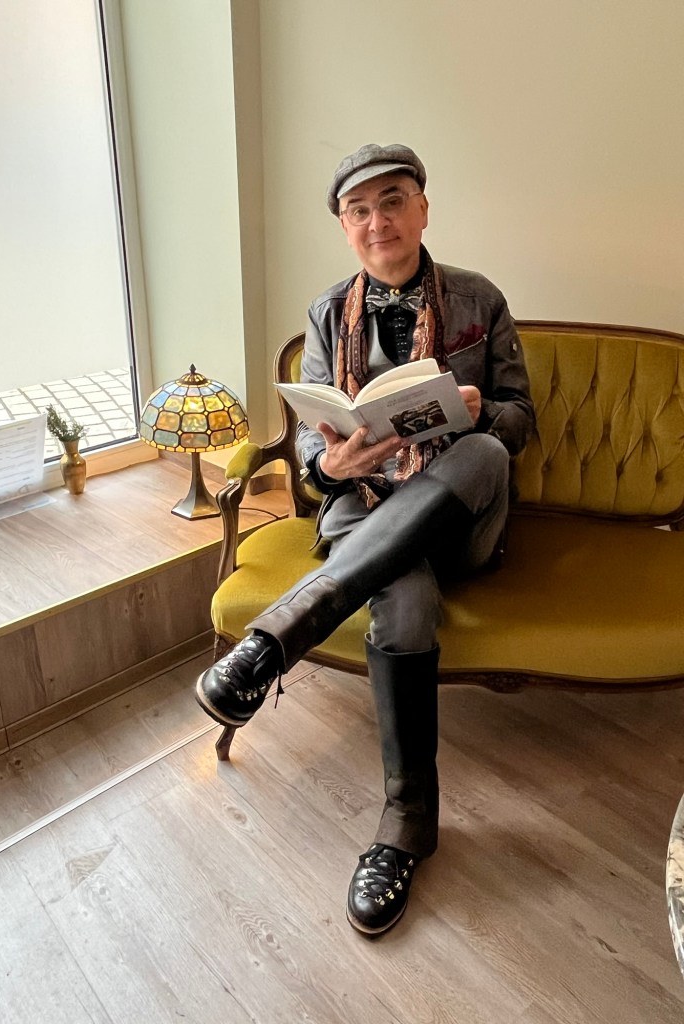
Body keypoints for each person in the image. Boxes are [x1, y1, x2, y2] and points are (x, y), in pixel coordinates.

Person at [196, 143, 535, 936]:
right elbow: (310, 448)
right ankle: (406, 828)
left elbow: (522, 422)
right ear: (345, 228)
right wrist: (331, 464)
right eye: (359, 210)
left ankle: (277, 638)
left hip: (458, 516)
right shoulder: (325, 314)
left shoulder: (480, 299)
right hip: (365, 508)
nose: (377, 221)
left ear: (422, 209)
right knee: (405, 607)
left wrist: (481, 409)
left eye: (392, 201)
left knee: (485, 452)